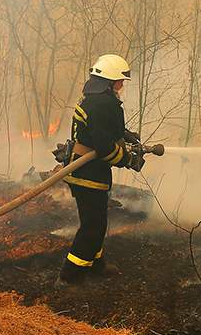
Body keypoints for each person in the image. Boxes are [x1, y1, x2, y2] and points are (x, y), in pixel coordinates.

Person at [57, 54, 145, 286]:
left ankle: (95, 264)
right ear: (112, 80)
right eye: (121, 81)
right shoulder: (105, 104)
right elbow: (105, 147)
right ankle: (69, 277)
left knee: (97, 221)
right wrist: (129, 160)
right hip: (89, 173)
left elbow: (99, 130)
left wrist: (125, 135)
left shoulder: (94, 99)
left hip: (83, 168)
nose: (122, 86)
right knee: (92, 226)